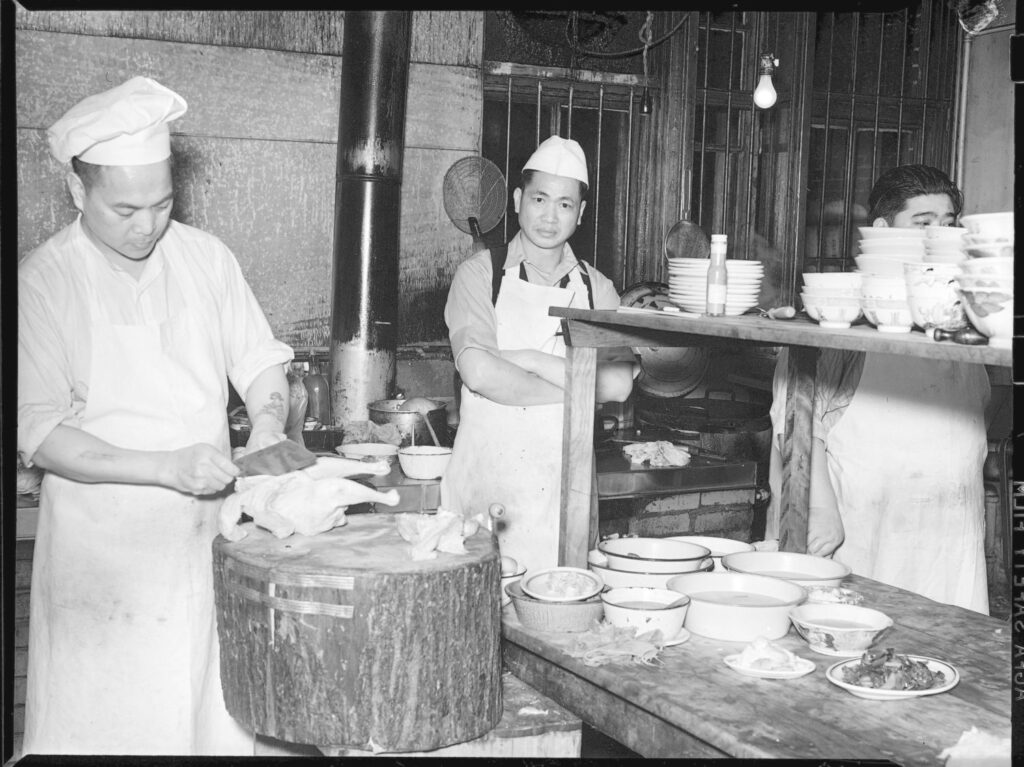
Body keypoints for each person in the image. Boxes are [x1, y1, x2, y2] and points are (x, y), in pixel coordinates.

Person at [17, 76, 296, 755]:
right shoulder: (44, 281)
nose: (147, 224)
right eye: (125, 209)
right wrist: (166, 466)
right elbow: (42, 435)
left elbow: (262, 362)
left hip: (201, 552)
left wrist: (267, 418)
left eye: (162, 203)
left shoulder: (206, 258)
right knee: (107, 731)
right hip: (100, 565)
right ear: (78, 192)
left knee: (206, 725)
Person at [766, 164, 991, 613]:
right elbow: (796, 422)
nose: (941, 237)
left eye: (949, 225)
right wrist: (822, 509)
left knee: (951, 644)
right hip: (866, 525)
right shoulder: (845, 312)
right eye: (924, 225)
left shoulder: (972, 317)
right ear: (884, 232)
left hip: (951, 525)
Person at [441, 135, 637, 574]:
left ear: (581, 213)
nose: (550, 216)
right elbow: (480, 372)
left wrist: (528, 358)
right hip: (486, 483)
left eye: (565, 204)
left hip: (563, 488)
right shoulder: (481, 274)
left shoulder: (596, 289)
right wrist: (577, 394)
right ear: (517, 200)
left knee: (559, 606)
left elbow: (619, 385)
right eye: (540, 198)